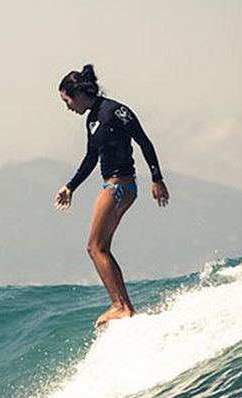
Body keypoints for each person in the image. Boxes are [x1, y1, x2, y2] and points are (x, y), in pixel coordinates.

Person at [54, 64, 170, 328]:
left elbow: (144, 141)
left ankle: (121, 306)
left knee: (94, 247)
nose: (68, 107)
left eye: (67, 100)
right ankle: (123, 306)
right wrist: (70, 186)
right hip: (115, 186)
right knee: (100, 247)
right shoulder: (92, 119)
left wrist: (157, 178)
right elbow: (91, 157)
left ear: (79, 93)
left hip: (119, 187)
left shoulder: (115, 110)